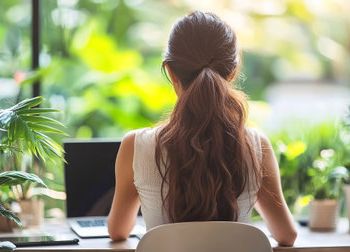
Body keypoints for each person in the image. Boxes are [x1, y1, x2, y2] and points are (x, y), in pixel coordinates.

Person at [107, 11, 297, 246]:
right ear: (232, 72)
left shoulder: (136, 146)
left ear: (170, 71)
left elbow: (117, 231)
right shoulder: (256, 146)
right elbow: (286, 235)